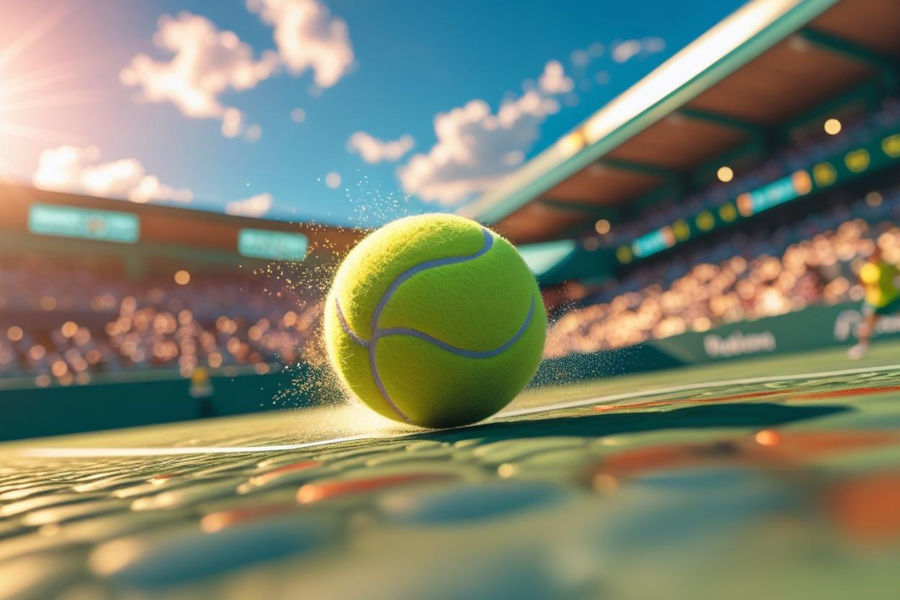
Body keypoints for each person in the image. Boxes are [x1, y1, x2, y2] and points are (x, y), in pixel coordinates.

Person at [848, 245, 900, 359]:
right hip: (875, 302)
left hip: (894, 298)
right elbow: (864, 285)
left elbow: (897, 274)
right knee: (867, 325)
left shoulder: (888, 266)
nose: (877, 256)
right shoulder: (866, 270)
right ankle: (862, 346)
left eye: (878, 253)